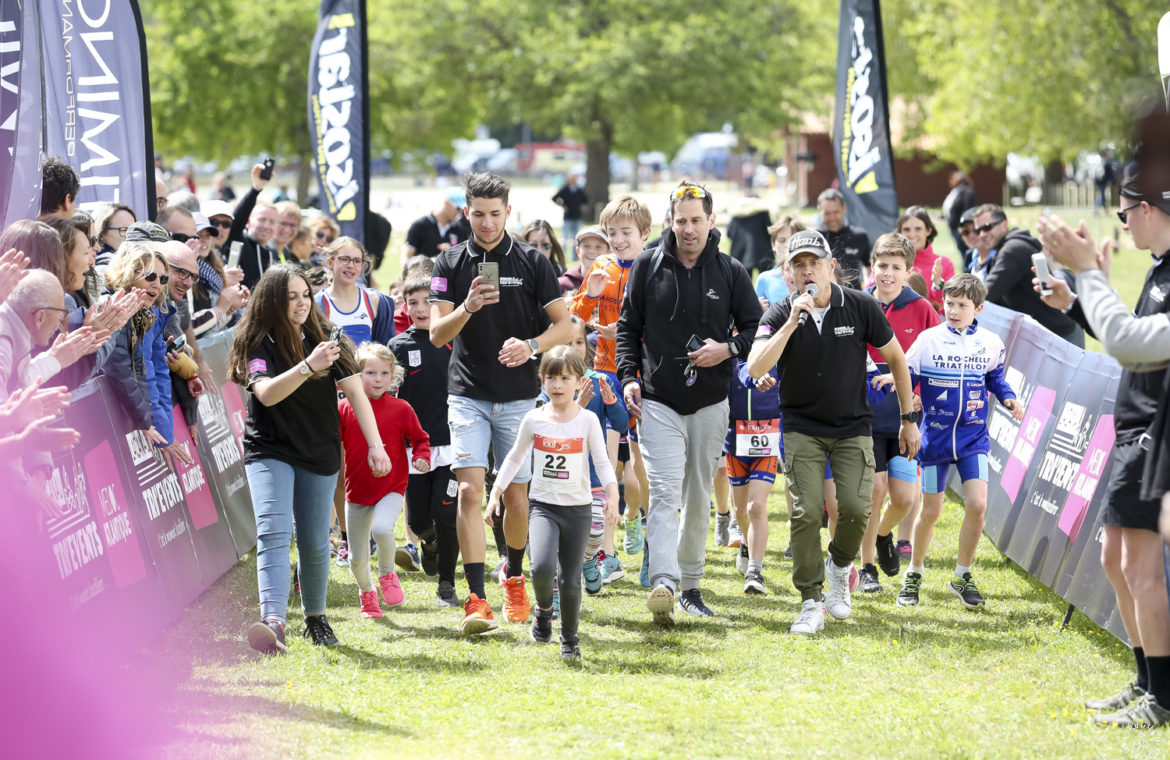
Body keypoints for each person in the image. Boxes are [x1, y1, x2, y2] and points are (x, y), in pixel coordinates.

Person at [1034, 166, 1170, 728]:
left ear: (1147, 208)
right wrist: (1080, 298)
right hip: (1134, 426)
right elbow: (1131, 344)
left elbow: (1131, 341)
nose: (1123, 224)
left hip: (1154, 435)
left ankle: (1161, 697)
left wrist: (1090, 274)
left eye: (1123, 211)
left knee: (1141, 570)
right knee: (1115, 560)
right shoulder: (1160, 272)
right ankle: (1144, 680)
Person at [746, 229, 919, 636]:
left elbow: (896, 359)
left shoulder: (860, 305)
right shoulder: (779, 313)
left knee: (859, 510)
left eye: (814, 263)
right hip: (802, 426)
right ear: (788, 271)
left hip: (853, 426)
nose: (807, 271)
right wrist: (791, 323)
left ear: (831, 267)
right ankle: (810, 600)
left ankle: (840, 566)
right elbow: (755, 367)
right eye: (799, 264)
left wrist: (909, 418)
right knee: (806, 511)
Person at [428, 172, 572, 634]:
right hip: (466, 394)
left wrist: (530, 347)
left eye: (495, 214)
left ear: (509, 212)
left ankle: (512, 573)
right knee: (471, 491)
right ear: (465, 212)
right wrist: (466, 307)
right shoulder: (448, 262)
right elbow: (436, 335)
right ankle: (476, 598)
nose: (486, 223)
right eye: (478, 214)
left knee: (515, 496)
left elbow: (565, 328)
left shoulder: (532, 260)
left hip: (518, 400)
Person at [616, 181, 762, 624]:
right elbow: (628, 329)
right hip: (659, 400)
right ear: (670, 223)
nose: (689, 229)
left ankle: (691, 585)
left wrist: (728, 349)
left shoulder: (731, 271)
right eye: (681, 221)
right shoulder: (647, 265)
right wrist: (628, 379)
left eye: (697, 220)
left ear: (712, 220)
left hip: (712, 401)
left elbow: (757, 329)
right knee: (663, 490)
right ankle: (663, 580)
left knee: (698, 495)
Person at [228, 263, 391, 654]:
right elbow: (266, 394)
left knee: (316, 542)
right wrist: (308, 366)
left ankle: (316, 619)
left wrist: (375, 445)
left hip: (319, 450)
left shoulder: (327, 337)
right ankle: (274, 621)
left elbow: (355, 393)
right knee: (273, 532)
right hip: (269, 449)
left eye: (305, 295)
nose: (301, 304)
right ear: (271, 301)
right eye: (291, 298)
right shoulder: (257, 339)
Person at [877, 274, 1022, 609]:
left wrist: (1009, 397)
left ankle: (962, 574)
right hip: (935, 441)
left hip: (973, 439)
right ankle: (914, 574)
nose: (954, 311)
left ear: (979, 308)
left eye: (962, 305)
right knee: (930, 510)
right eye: (950, 304)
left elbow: (995, 377)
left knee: (978, 505)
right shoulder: (929, 340)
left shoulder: (990, 342)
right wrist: (895, 379)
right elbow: (909, 372)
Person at [486, 345, 618, 660]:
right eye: (551, 378)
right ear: (541, 379)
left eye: (565, 378)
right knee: (542, 568)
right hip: (543, 508)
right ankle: (544, 610)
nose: (557, 385)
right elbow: (515, 456)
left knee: (569, 578)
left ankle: (569, 638)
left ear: (578, 381)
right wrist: (495, 493)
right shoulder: (534, 418)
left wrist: (612, 493)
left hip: (578, 510)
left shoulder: (587, 421)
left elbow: (601, 462)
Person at [572, 195, 652, 577]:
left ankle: (647, 535)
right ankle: (605, 552)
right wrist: (590, 294)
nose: (618, 239)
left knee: (640, 464)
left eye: (625, 232)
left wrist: (628, 332)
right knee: (605, 465)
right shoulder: (602, 266)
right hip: (604, 372)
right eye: (611, 233)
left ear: (645, 234)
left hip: (645, 375)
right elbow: (574, 320)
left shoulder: (655, 267)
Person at [857, 234, 939, 593]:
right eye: (882, 266)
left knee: (904, 498)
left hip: (906, 421)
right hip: (865, 418)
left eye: (896, 268)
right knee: (873, 490)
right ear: (872, 267)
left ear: (908, 272)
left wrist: (920, 395)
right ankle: (867, 568)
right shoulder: (858, 303)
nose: (887, 274)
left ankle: (884, 534)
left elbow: (937, 357)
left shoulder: (921, 309)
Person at [339, 342, 430, 619]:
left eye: (384, 374)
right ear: (356, 375)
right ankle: (367, 594)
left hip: (391, 488)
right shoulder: (343, 408)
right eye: (370, 373)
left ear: (393, 376)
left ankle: (388, 575)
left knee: (381, 529)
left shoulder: (401, 408)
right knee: (357, 557)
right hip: (355, 493)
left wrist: (421, 457)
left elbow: (420, 438)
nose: (378, 379)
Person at [390, 276, 461, 607]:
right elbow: (388, 398)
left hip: (453, 445)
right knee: (418, 520)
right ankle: (428, 543)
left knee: (447, 515)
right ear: (404, 307)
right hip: (413, 449)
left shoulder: (456, 340)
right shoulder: (397, 347)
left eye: (428, 301)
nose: (421, 308)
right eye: (413, 302)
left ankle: (447, 584)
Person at [562, 317, 628, 589]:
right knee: (565, 532)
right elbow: (553, 423)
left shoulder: (600, 380)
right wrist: (579, 403)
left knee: (596, 530)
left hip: (594, 477)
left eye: (579, 342)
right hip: (563, 476)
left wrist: (611, 400)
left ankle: (590, 560)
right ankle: (566, 580)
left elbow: (622, 424)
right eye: (567, 342)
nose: (574, 347)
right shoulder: (552, 383)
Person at [976, 203, 1081, 345]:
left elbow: (987, 293)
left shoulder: (1011, 251)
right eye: (978, 231)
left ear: (1003, 224)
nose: (982, 234)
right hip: (1052, 333)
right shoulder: (1009, 247)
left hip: (1060, 336)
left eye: (987, 227)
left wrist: (956, 297)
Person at [724, 354, 780, 595]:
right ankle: (746, 543)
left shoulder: (776, 350)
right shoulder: (727, 349)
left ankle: (755, 571)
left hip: (768, 435)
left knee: (756, 506)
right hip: (735, 438)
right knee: (740, 511)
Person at [314, 237, 396, 346]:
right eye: (344, 259)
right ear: (330, 262)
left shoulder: (376, 300)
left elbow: (386, 351)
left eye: (357, 261)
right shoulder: (317, 304)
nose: (351, 265)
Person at [222, 163, 277, 291]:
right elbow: (236, 223)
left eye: (272, 222)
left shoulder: (273, 252)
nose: (266, 226)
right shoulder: (239, 243)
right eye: (261, 219)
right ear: (248, 222)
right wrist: (256, 189)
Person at [896, 206, 954, 313]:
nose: (912, 235)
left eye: (918, 229)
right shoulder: (890, 261)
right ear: (899, 232)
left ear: (928, 230)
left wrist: (938, 285)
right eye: (906, 229)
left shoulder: (944, 263)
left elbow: (947, 310)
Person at [815, 188, 870, 289]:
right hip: (825, 298)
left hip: (855, 298)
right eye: (827, 213)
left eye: (836, 212)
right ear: (819, 211)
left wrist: (868, 288)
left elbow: (868, 266)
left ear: (844, 208)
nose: (832, 218)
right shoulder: (814, 238)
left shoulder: (859, 236)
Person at [404, 188, 470, 258]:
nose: (460, 213)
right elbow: (406, 257)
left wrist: (453, 252)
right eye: (458, 208)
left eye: (462, 210)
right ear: (446, 203)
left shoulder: (458, 229)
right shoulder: (419, 225)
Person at [756, 217, 804, 308]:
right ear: (773, 245)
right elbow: (757, 319)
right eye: (782, 241)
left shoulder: (811, 275)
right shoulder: (764, 280)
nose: (788, 245)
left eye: (793, 240)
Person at [727, 197, 774, 279]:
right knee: (767, 280)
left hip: (741, 254)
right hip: (763, 252)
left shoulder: (736, 216)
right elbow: (771, 231)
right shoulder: (763, 213)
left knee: (743, 283)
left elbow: (729, 234)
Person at [558, 226, 609, 293]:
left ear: (608, 252)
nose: (592, 251)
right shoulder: (562, 284)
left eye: (598, 247)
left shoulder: (616, 283)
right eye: (586, 246)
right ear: (578, 251)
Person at [943, 171, 977, 257]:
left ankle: (967, 269)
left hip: (961, 227)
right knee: (962, 250)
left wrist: (962, 226)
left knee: (965, 251)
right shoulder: (956, 191)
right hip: (954, 226)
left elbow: (968, 210)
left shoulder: (966, 191)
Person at [552, 173, 588, 247]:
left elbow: (585, 199)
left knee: (576, 238)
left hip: (577, 216)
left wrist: (583, 206)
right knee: (565, 237)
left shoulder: (579, 190)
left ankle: (575, 256)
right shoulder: (565, 189)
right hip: (568, 217)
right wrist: (562, 205)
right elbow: (554, 198)